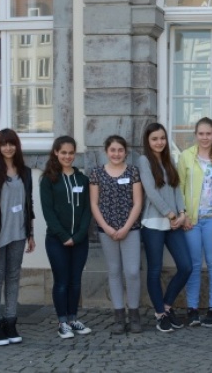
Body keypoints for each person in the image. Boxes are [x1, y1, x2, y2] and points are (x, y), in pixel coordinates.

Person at [0, 129, 35, 345]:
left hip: (18, 234)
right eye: (4, 144)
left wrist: (30, 233)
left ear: (17, 146)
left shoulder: (25, 172)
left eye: (11, 143)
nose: (8, 148)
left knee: (13, 277)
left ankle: (10, 322)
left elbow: (29, 203)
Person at [138, 123, 192, 333]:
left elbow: (178, 189)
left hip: (174, 223)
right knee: (155, 270)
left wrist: (182, 214)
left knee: (186, 266)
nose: (159, 142)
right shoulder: (144, 161)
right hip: (154, 222)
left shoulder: (171, 160)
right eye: (154, 139)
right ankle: (160, 314)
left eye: (162, 138)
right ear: (148, 141)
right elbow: (151, 192)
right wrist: (170, 214)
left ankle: (167, 306)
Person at [89, 135, 143, 334]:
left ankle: (134, 314)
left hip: (131, 229)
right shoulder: (97, 173)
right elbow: (94, 204)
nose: (116, 154)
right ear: (106, 152)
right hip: (107, 230)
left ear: (125, 152)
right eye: (113, 150)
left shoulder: (133, 171)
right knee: (114, 271)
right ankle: (119, 315)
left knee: (132, 272)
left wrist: (127, 227)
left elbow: (138, 202)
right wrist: (107, 227)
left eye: (120, 150)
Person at [40, 136, 93, 339]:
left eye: (71, 153)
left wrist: (78, 236)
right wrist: (64, 236)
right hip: (56, 240)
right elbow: (48, 212)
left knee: (75, 281)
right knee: (61, 281)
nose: (67, 156)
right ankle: (62, 321)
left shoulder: (82, 180)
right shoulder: (48, 179)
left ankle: (73, 318)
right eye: (63, 152)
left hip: (79, 240)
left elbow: (87, 211)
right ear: (56, 153)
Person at [178, 118, 212, 328]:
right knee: (194, 264)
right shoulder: (186, 156)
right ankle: (192, 308)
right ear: (196, 134)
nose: (205, 137)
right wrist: (183, 214)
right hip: (192, 219)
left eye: (209, 133)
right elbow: (178, 187)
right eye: (201, 134)